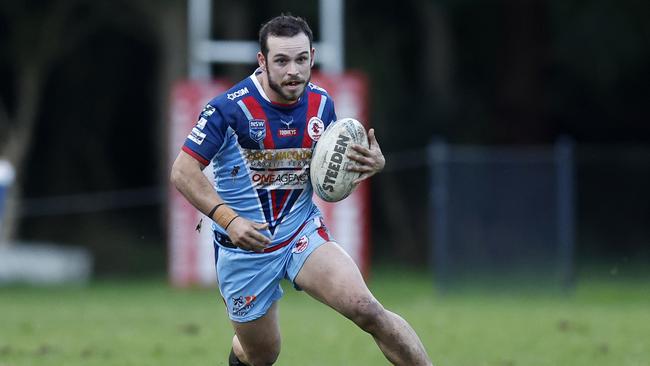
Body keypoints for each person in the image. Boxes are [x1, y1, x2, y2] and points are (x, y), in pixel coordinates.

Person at [170, 14, 432, 366]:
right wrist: (229, 220)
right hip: (244, 249)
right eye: (281, 60)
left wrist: (369, 165)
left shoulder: (322, 106)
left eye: (301, 59)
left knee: (366, 309)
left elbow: (330, 174)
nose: (293, 70)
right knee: (262, 354)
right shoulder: (228, 109)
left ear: (311, 55)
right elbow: (183, 171)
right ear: (262, 62)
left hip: (300, 233)